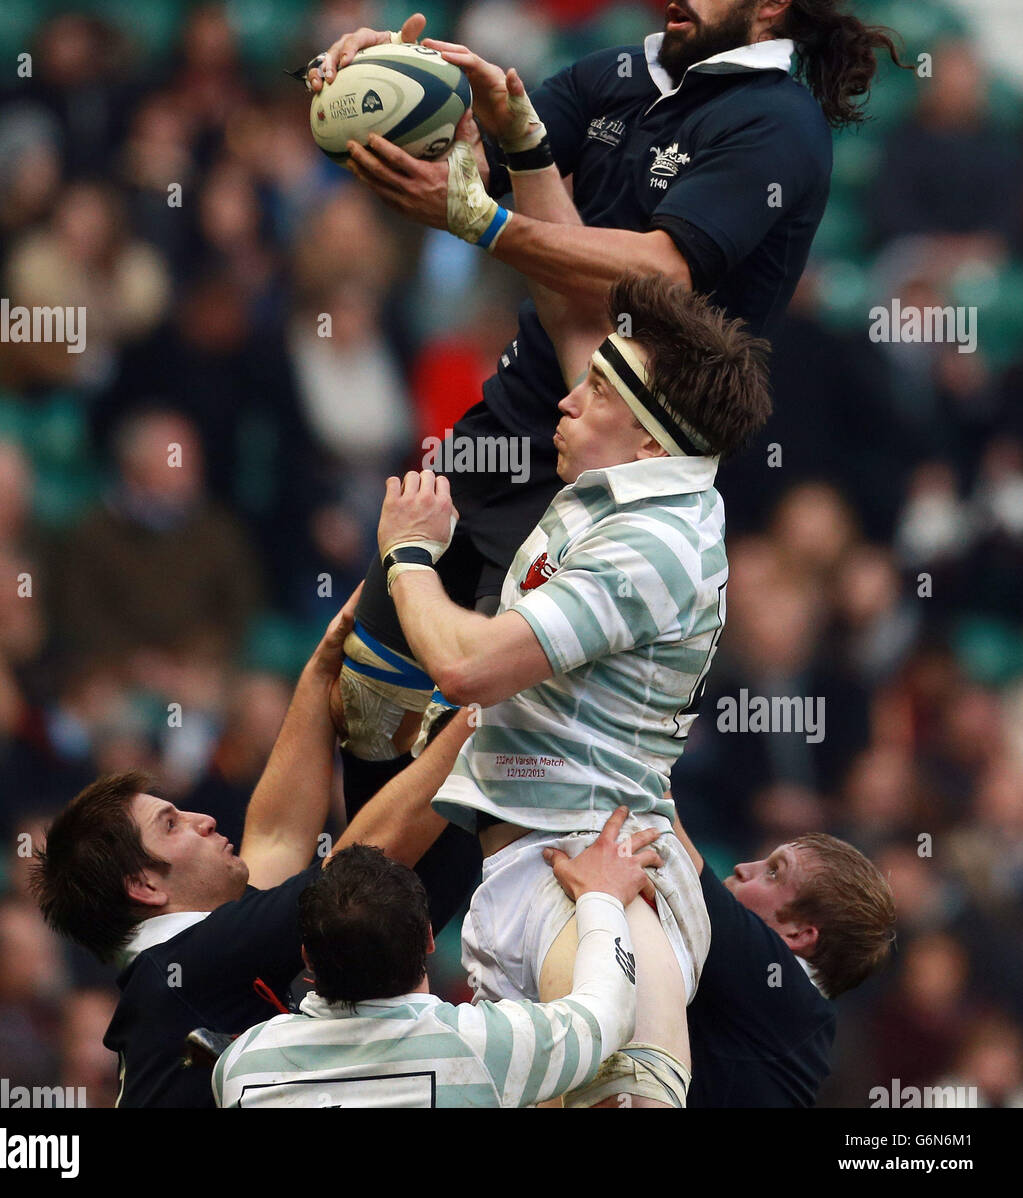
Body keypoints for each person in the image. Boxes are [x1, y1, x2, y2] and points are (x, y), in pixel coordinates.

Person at [303, 0, 905, 750]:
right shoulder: (620, 75)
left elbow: (658, 270)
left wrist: (483, 223)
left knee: (477, 732)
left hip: (617, 467)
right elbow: (488, 142)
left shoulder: (777, 125)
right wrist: (378, 79)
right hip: (516, 414)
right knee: (360, 701)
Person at [374, 274, 772, 1107]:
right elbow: (567, 307)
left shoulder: (654, 545)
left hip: (598, 880)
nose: (564, 401)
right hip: (542, 862)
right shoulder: (638, 482)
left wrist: (409, 558)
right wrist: (518, 159)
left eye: (595, 390)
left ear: (651, 443)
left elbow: (468, 666)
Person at [30, 593, 359, 1108]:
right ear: (143, 885)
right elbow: (368, 862)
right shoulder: (194, 961)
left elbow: (278, 834)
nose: (205, 820)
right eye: (172, 825)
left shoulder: (175, 964)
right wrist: (477, 725)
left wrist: (323, 661)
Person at [213, 808, 655, 1108]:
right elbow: (608, 1014)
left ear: (308, 958)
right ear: (429, 938)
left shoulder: (242, 1064)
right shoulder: (485, 1046)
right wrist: (600, 895)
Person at [672, 811, 896, 1107]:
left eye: (774, 872)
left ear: (799, 933)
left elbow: (668, 840)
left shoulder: (778, 985)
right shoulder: (795, 1011)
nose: (743, 868)